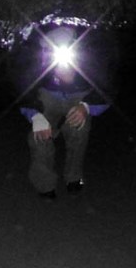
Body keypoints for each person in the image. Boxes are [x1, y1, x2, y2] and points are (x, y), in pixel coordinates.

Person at [18, 23, 110, 199]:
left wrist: (86, 106)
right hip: (47, 95)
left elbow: (107, 88)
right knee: (39, 133)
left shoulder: (91, 59)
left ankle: (74, 177)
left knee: (79, 127)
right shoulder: (36, 58)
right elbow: (23, 88)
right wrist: (35, 114)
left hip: (79, 95)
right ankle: (45, 184)